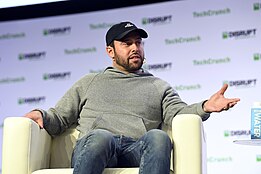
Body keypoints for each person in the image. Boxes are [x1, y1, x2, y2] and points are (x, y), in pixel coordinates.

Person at [25, 21, 240, 174]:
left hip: (135, 148)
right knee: (101, 136)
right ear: (110, 51)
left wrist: (205, 106)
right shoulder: (90, 81)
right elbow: (60, 117)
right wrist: (40, 114)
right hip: (96, 147)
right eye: (127, 44)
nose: (135, 48)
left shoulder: (158, 85)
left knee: (158, 137)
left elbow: (178, 114)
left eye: (138, 42)